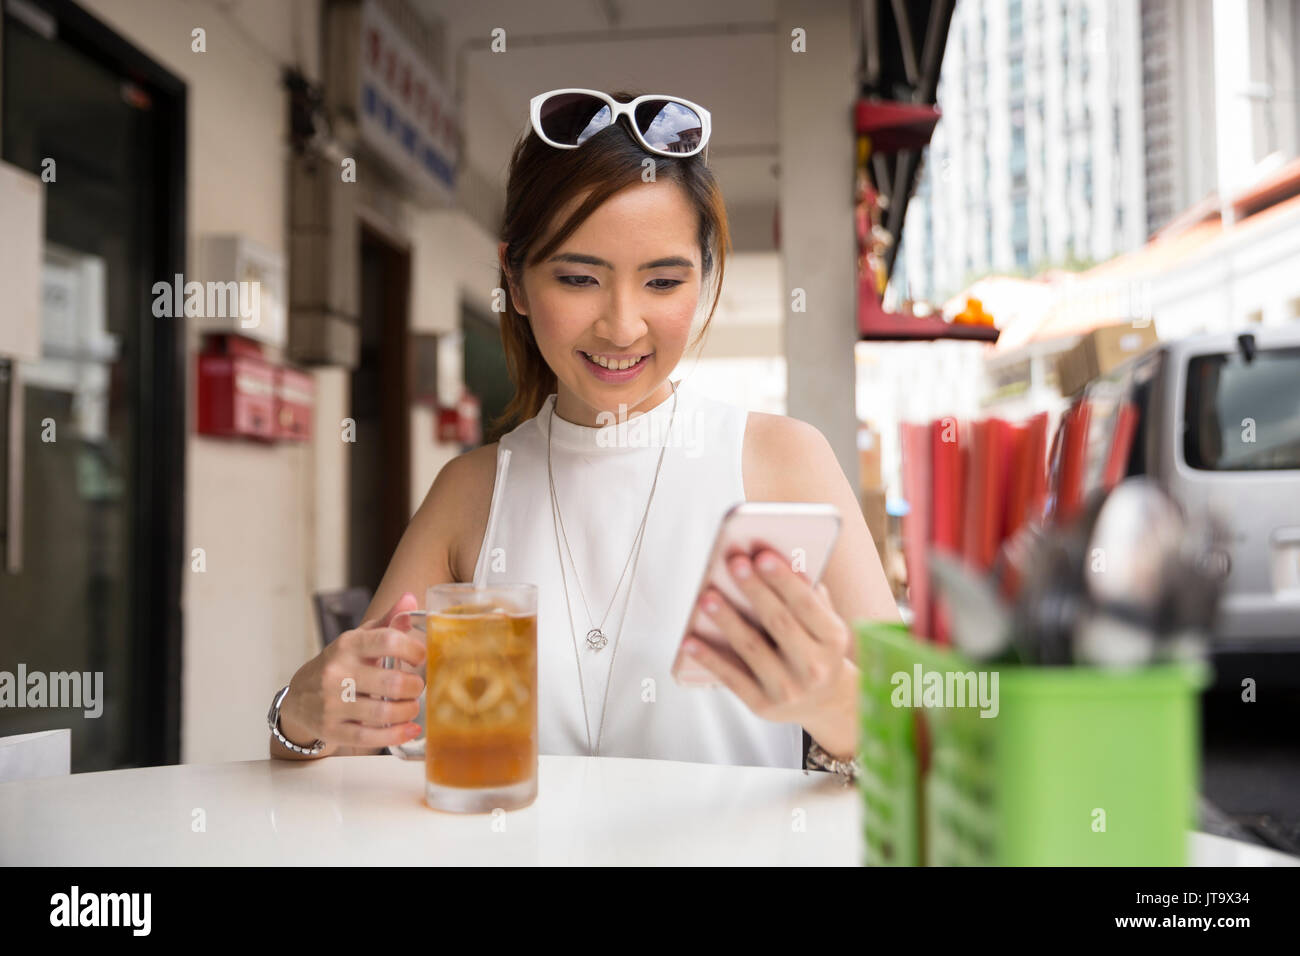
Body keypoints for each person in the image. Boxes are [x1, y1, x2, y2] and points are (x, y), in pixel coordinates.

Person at [270, 89, 898, 771]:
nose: (622, 325)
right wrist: (300, 714)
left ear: (704, 279)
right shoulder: (473, 490)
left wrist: (832, 704)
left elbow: (921, 740)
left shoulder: (781, 461)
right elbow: (352, 739)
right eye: (577, 278)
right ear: (514, 278)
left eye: (662, 283)